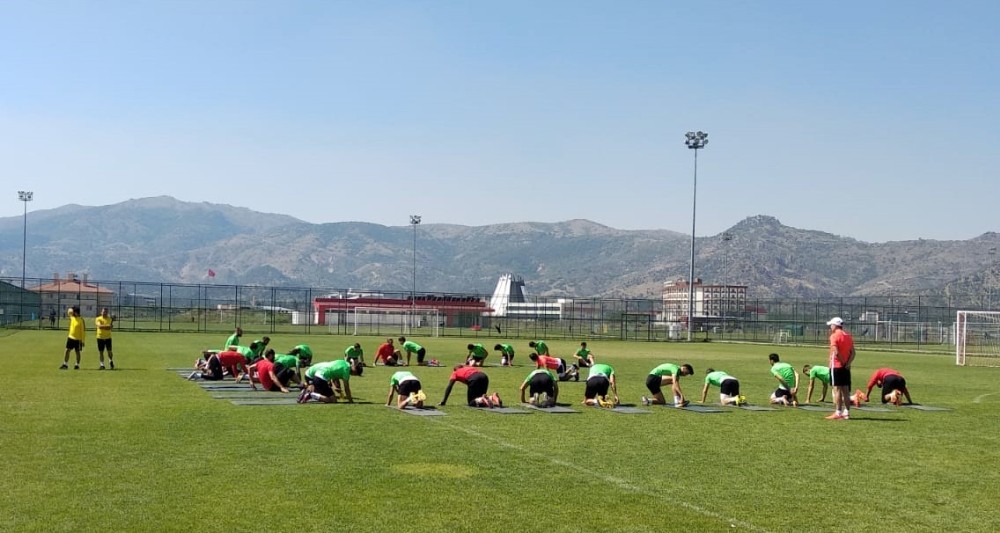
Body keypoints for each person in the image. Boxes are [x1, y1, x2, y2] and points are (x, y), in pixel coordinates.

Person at [826, 317, 856, 420]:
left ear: (835, 325)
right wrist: (848, 363)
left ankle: (838, 412)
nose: (830, 327)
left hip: (837, 366)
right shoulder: (848, 336)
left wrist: (843, 362)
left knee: (837, 389)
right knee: (846, 390)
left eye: (831, 325)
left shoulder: (834, 336)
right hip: (846, 367)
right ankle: (846, 412)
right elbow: (853, 353)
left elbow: (836, 352)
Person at [299, 359, 363, 404]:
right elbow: (346, 388)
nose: (354, 375)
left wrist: (335, 387)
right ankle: (311, 394)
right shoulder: (346, 371)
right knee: (332, 400)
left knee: (332, 398)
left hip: (319, 376)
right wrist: (351, 401)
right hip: (321, 378)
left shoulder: (345, 363)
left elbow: (334, 375)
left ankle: (310, 392)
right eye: (356, 374)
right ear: (355, 370)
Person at [60, 306, 86, 370]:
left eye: (74, 312)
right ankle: (65, 364)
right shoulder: (72, 317)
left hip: (78, 339)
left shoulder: (81, 320)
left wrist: (82, 341)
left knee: (77, 352)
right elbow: (69, 311)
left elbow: (82, 331)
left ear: (76, 312)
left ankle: (77, 365)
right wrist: (72, 308)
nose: (73, 313)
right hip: (70, 337)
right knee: (67, 350)